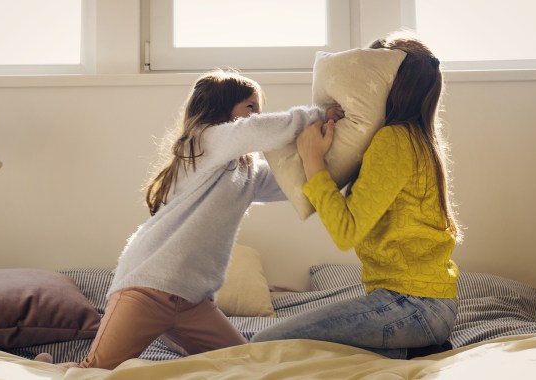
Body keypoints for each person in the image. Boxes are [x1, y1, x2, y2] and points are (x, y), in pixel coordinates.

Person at [37, 68, 344, 370]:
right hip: (147, 288)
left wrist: (332, 156)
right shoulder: (203, 142)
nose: (256, 116)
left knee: (244, 365)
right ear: (220, 108)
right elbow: (254, 131)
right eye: (250, 107)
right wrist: (317, 115)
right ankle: (45, 368)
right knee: (97, 371)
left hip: (193, 303)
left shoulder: (246, 171)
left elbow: (296, 183)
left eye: (259, 109)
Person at [250, 31, 462, 360]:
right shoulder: (412, 138)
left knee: (267, 343)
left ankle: (415, 347)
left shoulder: (394, 141)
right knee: (330, 354)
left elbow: (346, 232)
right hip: (422, 305)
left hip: (414, 306)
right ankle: (408, 352)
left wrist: (313, 161)